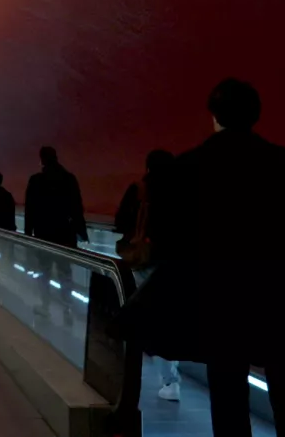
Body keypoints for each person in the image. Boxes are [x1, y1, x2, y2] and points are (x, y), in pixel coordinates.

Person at [176, 79, 285, 437]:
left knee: (227, 392)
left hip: (219, 298)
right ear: (255, 115)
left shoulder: (191, 164)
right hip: (279, 295)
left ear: (214, 115)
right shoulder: (283, 161)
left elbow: (179, 241)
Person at [114, 149, 182, 401]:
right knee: (167, 317)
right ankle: (170, 379)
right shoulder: (183, 190)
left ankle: (138, 374)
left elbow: (120, 220)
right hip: (175, 263)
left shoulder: (139, 189)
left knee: (144, 315)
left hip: (142, 261)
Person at [24, 146, 88, 247]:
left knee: (44, 256)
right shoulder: (69, 179)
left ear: (42, 160)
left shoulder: (36, 180)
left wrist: (27, 233)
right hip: (65, 232)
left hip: (43, 232)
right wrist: (82, 231)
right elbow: (77, 207)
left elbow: (30, 209)